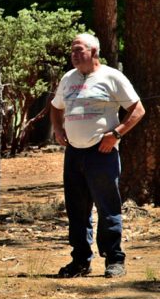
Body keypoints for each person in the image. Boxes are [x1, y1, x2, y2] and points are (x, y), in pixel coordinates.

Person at [50, 33, 145, 278]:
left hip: (102, 153)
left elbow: (137, 109)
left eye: (79, 49)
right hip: (74, 153)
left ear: (94, 52)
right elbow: (55, 106)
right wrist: (58, 129)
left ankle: (114, 259)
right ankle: (80, 260)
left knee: (107, 207)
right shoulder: (68, 79)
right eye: (72, 50)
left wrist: (116, 134)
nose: (73, 54)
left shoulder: (111, 77)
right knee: (77, 209)